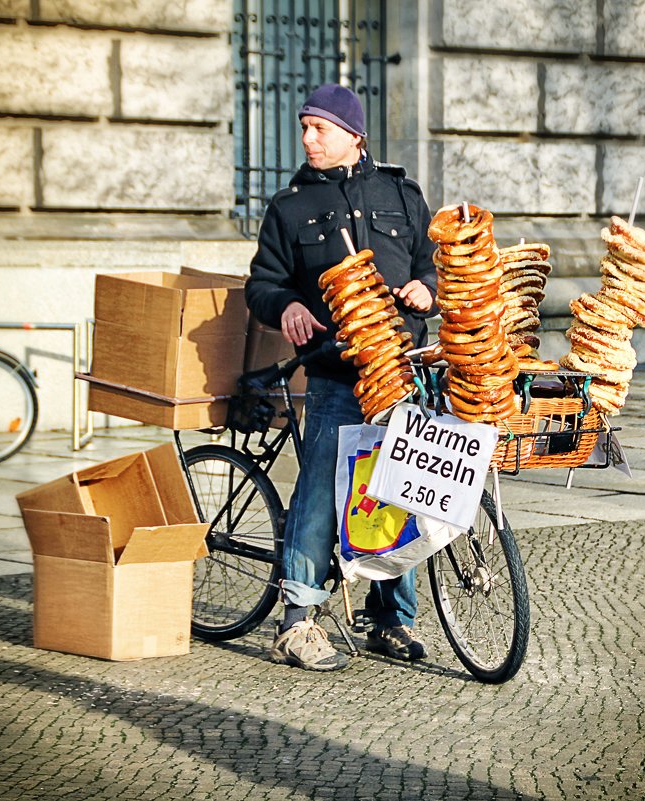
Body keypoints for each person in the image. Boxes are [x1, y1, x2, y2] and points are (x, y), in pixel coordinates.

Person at [245, 83, 438, 671]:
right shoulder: (289, 208)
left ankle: (387, 620)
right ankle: (297, 619)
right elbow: (262, 283)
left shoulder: (402, 194)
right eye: (304, 127)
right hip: (335, 374)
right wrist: (287, 308)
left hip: (402, 373)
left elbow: (430, 264)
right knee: (322, 494)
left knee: (396, 493)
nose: (307, 139)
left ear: (354, 134)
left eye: (319, 128)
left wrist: (425, 291)